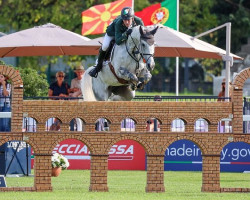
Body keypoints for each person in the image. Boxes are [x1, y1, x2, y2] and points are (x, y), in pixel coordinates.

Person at [89, 7, 144, 78]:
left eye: (128, 20)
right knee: (105, 46)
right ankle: (97, 67)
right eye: (124, 20)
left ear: (132, 19)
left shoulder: (139, 21)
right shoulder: (118, 23)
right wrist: (126, 34)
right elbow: (118, 41)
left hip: (125, 34)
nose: (126, 22)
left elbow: (143, 35)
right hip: (112, 32)